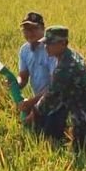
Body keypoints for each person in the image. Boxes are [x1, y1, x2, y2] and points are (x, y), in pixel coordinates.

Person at [25, 26, 86, 154]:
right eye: (45, 43)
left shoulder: (66, 67)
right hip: (85, 111)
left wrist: (34, 113)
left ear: (62, 43)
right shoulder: (69, 55)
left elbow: (52, 96)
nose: (46, 47)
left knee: (85, 155)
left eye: (50, 43)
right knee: (83, 151)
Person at [15, 12, 68, 140]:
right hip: (40, 99)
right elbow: (23, 77)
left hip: (56, 100)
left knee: (50, 135)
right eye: (26, 29)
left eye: (34, 28)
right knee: (32, 128)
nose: (30, 32)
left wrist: (31, 102)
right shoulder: (24, 50)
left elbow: (53, 86)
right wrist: (15, 83)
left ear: (43, 29)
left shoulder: (50, 50)